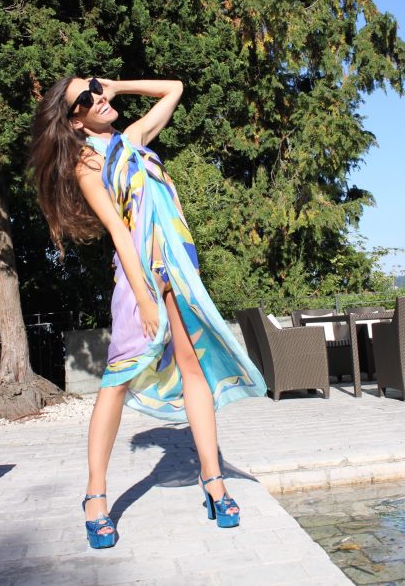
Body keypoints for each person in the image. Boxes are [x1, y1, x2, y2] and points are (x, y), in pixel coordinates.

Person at [30, 76, 267, 548]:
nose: (97, 97)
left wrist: (116, 86)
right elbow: (119, 231)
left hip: (178, 265)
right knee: (118, 377)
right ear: (74, 120)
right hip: (139, 273)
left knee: (192, 366)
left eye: (95, 87)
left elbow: (175, 89)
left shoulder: (133, 138)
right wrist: (142, 296)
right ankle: (95, 497)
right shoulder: (86, 160)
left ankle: (213, 480)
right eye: (86, 97)